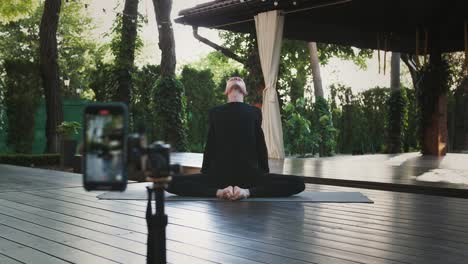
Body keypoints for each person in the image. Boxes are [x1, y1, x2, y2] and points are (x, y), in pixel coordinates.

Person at [167, 77, 305, 200]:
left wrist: (263, 174)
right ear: (226, 91)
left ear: (245, 92)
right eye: (232, 79)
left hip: (250, 176)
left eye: (240, 80)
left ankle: (247, 192)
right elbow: (210, 145)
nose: (236, 79)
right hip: (219, 176)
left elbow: (260, 144)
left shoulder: (255, 112)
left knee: (298, 183)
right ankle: (219, 192)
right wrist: (206, 175)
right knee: (167, 182)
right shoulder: (215, 113)